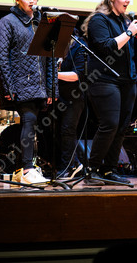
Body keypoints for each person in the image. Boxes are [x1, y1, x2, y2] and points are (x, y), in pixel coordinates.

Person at [0, 0, 56, 185]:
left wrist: (51, 88)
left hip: (39, 85)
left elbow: (50, 58)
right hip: (19, 83)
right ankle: (28, 169)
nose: (32, 1)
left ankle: (23, 169)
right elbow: (1, 57)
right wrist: (8, 87)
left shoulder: (42, 23)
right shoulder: (7, 22)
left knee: (35, 124)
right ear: (17, 0)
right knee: (29, 120)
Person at [81, 0, 137, 185]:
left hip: (127, 81)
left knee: (122, 127)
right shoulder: (99, 20)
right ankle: (92, 169)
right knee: (110, 124)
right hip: (104, 79)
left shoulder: (124, 20)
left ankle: (109, 170)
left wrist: (128, 31)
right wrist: (129, 33)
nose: (128, 1)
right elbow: (106, 47)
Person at [56, 31, 87, 180]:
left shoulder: (80, 48)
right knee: (62, 132)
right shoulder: (58, 47)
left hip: (74, 96)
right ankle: (74, 164)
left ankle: (68, 168)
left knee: (68, 130)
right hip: (60, 96)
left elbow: (77, 75)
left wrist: (54, 74)